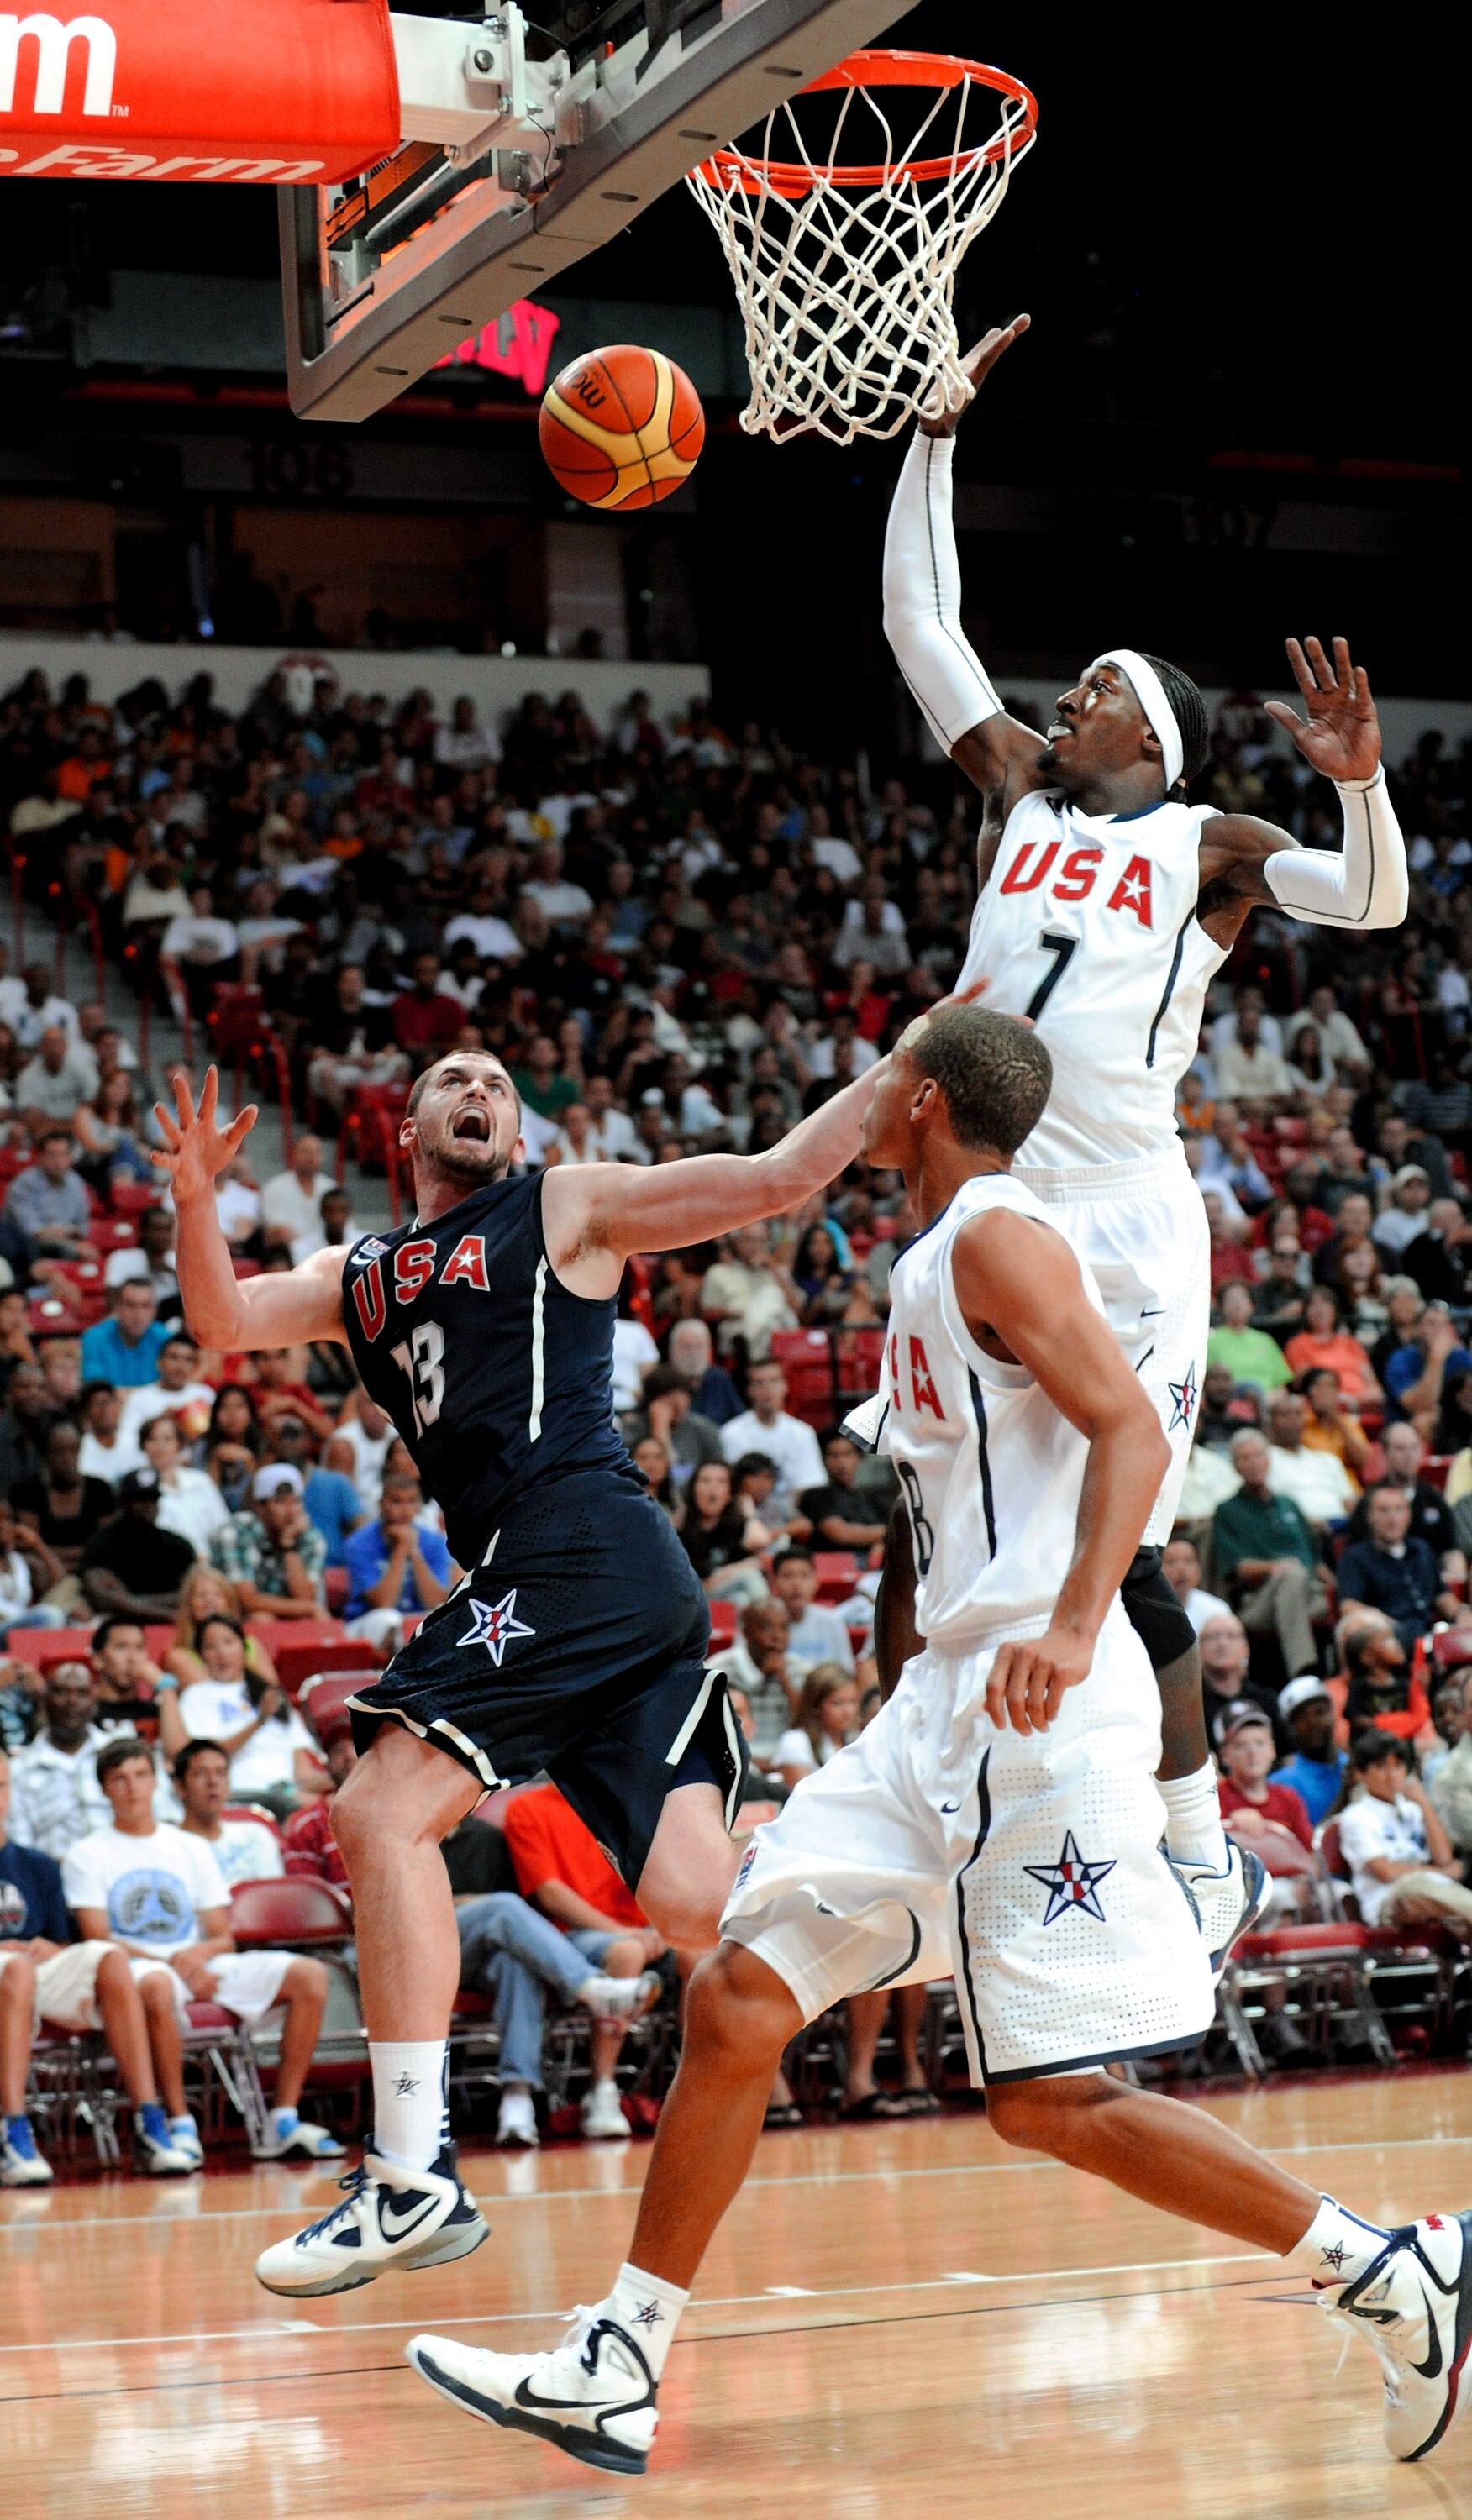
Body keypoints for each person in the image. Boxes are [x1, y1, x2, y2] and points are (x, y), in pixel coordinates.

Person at [410, 1004, 1469, 2475]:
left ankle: (1382, 2264)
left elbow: (1133, 1434)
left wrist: (1066, 1619)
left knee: (1044, 2102)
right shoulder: (930, 1258)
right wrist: (917, 1683)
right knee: (733, 2000)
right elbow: (939, 1528)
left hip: (1039, 1702)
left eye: (882, 1079)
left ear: (911, 1099)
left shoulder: (996, 1235)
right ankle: (619, 2359)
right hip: (936, 1722)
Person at [152, 1035, 923, 2295]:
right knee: (690, 1902)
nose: (479, 1093)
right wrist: (194, 1201)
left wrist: (906, 1063)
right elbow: (221, 1318)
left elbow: (780, 1174)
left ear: (517, 1133)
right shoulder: (366, 1272)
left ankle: (409, 2172)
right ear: (403, 1132)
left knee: (376, 1810)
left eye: (499, 1086)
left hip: (574, 1551)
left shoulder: (561, 1205)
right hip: (610, 1596)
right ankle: (951, 1900)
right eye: (451, 1081)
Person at [64, 1735, 341, 2164]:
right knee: (156, 1984)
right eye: (119, 1779)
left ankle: (282, 2118)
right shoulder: (87, 1853)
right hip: (137, 1969)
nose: (132, 1787)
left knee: (309, 1975)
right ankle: (178, 2120)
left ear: (156, 1782)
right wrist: (178, 1963)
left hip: (199, 1960)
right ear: (104, 1790)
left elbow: (221, 1934)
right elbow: (98, 1938)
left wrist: (197, 1959)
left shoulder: (189, 1848)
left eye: (140, 1775)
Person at [0, 1742, 196, 2181]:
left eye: (0, 1786)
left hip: (34, 1973)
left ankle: (150, 2120)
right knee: (13, 1968)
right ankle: (11, 2129)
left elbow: (62, 1939)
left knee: (108, 1956)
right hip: (8, 1972)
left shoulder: (38, 1865)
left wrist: (56, 1950)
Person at [486, 1784, 666, 2144]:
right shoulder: (528, 1807)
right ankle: (599, 2088)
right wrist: (624, 1933)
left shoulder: (628, 1803)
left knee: (701, 1950)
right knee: (623, 1952)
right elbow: (548, 1893)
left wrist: (663, 1925)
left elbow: (659, 1874)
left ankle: (613, 2092)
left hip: (636, 1929)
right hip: (563, 1935)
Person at [164, 1614, 324, 1814]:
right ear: (201, 1656)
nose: (221, 1653)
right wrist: (259, 1721)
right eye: (210, 1647)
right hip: (241, 1794)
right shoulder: (197, 1696)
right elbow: (209, 1755)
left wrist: (342, 1777)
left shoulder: (270, 1696)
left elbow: (302, 1770)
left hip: (289, 1791)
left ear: (244, 1648)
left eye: (228, 1643)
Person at [1212, 1429, 1329, 1678]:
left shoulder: (1289, 1504)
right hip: (1259, 1601)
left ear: (1269, 1458)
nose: (1254, 1462)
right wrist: (1275, 1567)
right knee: (1293, 1574)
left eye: (1258, 1455)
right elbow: (1236, 1566)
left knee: (1344, 1604)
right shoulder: (1228, 1511)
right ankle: (1304, 1673)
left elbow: (1315, 1559)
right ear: (1234, 1466)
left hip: (1309, 1596)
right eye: (1245, 1457)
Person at [1336, 1732, 1472, 1940]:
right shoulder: (1356, 1816)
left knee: (1462, 1921)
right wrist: (1443, 1873)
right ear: (1361, 1774)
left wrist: (1425, 1803)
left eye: (1398, 1766)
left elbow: (1444, 1858)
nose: (1392, 1776)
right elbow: (1387, 1872)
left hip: (1436, 1894)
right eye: (1381, 1767)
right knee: (1415, 1886)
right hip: (1389, 1901)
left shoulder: (1413, 1809)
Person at [7, 1661, 124, 1858]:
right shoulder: (19, 1770)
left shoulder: (119, 1755)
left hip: (122, 1874)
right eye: (61, 1692)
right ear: (44, 1700)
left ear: (94, 1700)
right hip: (53, 1880)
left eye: (82, 1693)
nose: (72, 1701)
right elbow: (21, 1851)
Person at [342, 1468, 455, 1655]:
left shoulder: (434, 1541)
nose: (404, 1510)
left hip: (416, 1618)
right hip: (366, 1622)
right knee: (389, 1619)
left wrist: (415, 1552)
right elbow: (382, 1602)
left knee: (444, 1616)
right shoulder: (359, 1543)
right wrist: (401, 1549)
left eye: (411, 1501)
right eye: (397, 1501)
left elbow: (435, 1600)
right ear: (382, 1503)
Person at [1337, 1484, 1456, 1652]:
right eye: (1384, 1510)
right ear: (1369, 1516)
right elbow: (1348, 1606)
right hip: (1388, 1639)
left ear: (1409, 1515)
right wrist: (1388, 1625)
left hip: (1431, 1632)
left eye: (1399, 1510)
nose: (1392, 1518)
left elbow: (1441, 1593)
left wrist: (1460, 1613)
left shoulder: (1421, 1549)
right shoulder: (1355, 1557)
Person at [80, 1466, 197, 1622]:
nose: (148, 1505)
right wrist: (166, 1613)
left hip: (167, 1625)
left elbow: (191, 1593)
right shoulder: (101, 1543)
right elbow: (101, 1597)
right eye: (139, 1499)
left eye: (153, 1499)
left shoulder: (177, 1544)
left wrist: (129, 1602)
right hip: (117, 1623)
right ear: (123, 1503)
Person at [212, 1462, 328, 1620]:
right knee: (262, 1618)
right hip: (236, 1620)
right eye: (280, 1502)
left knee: (317, 1618)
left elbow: (305, 1597)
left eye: (296, 1502)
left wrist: (289, 1547)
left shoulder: (311, 1538)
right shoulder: (234, 1533)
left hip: (290, 1615)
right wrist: (308, 1607)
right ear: (260, 1507)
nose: (291, 1511)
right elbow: (247, 1600)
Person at [173, 1736, 283, 1887]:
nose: (213, 1782)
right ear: (179, 1786)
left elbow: (272, 1898)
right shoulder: (169, 1846)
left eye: (221, 1773)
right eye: (200, 1773)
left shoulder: (256, 1837)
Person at [718, 1360, 824, 1509]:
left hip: (794, 1514)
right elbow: (735, 1488)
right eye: (759, 1383)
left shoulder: (803, 1433)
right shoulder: (731, 1433)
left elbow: (811, 1484)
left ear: (785, 1386)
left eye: (774, 1381)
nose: (767, 1389)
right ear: (749, 1390)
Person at [1270, 1675, 1349, 1829]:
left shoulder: (1357, 1765)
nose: (1313, 1723)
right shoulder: (1281, 1785)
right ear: (1290, 1729)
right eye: (1301, 1718)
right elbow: (1305, 1846)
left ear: (1333, 1715)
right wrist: (1346, 1794)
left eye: (1319, 1712)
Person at [799, 1425, 891, 1550]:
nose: (841, 1463)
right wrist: (889, 1533)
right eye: (834, 1455)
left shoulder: (873, 1499)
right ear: (823, 1459)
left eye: (847, 1454)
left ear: (858, 1457)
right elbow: (841, 1534)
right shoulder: (815, 1496)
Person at [773, 1662, 860, 1791]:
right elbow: (803, 1798)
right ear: (815, 1706)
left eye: (853, 1702)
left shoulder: (859, 1739)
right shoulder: (795, 1742)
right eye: (838, 1703)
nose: (848, 1712)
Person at [768, 1546, 855, 1674]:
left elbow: (847, 1673)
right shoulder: (759, 1623)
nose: (796, 1584)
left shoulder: (832, 1621)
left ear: (816, 1582)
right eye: (788, 1576)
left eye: (804, 1575)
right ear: (773, 1583)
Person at [79, 1278, 170, 1389]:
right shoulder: (94, 1338)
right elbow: (97, 1390)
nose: (138, 1315)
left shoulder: (165, 1337)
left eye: (145, 1306)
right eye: (131, 1305)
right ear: (117, 1307)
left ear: (154, 1310)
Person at [1161, 1535, 1229, 1635]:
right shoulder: (1147, 1611)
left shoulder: (1217, 1610)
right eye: (1171, 1562)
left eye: (1188, 1561)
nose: (1181, 1569)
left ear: (1199, 1569)